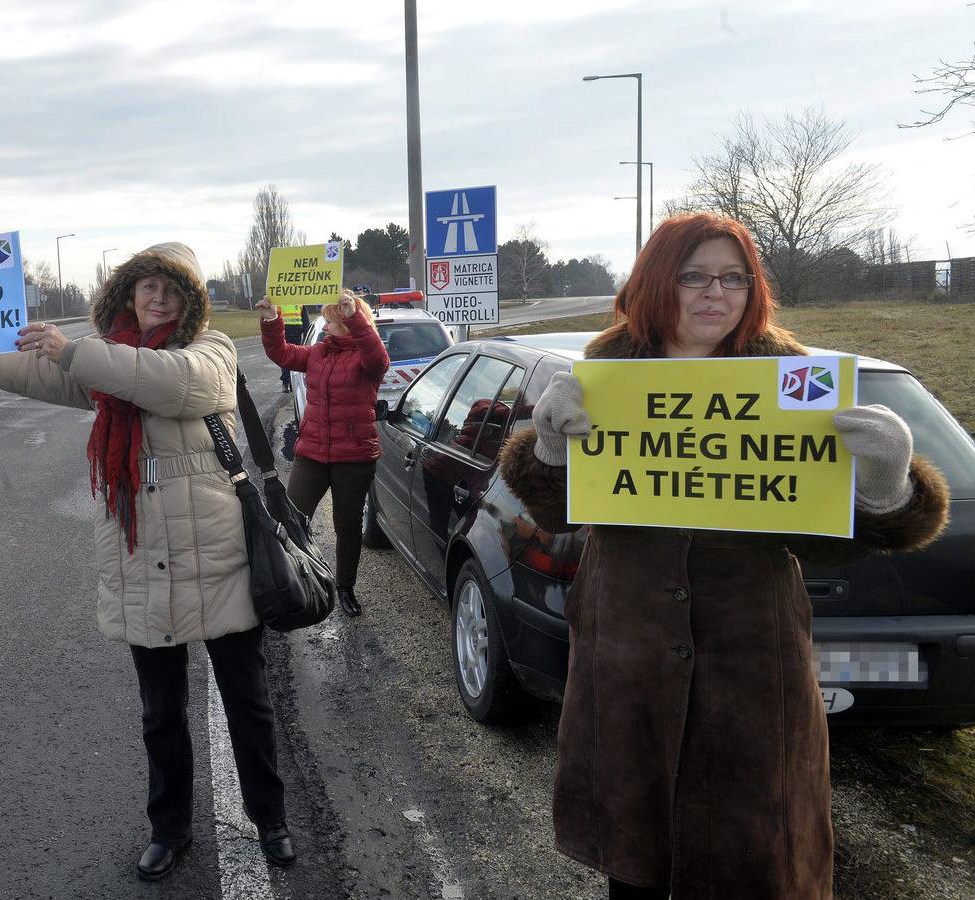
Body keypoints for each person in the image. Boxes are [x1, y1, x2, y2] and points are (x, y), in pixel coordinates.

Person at [497, 213, 951, 900]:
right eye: (694, 276)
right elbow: (561, 516)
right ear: (657, 282)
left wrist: (886, 487)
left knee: (748, 858)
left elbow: (833, 544)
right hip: (629, 656)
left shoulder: (791, 380)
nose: (716, 293)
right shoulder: (610, 373)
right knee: (636, 856)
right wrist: (550, 449)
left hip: (749, 666)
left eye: (734, 278)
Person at [0, 242, 295, 882]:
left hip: (220, 562)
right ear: (129, 294)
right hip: (143, 562)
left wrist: (73, 350)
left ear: (189, 301)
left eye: (170, 290)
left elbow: (171, 383)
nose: (156, 298)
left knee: (248, 702)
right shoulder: (103, 367)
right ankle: (170, 829)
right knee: (160, 712)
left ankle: (271, 821)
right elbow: (7, 368)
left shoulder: (209, 350)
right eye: (145, 287)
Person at [258, 290, 390, 617]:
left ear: (348, 324)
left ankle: (345, 587)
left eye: (332, 320)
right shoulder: (318, 354)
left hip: (353, 458)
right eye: (328, 320)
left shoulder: (366, 358)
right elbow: (282, 353)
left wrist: (356, 316)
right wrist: (272, 320)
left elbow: (379, 359)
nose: (327, 326)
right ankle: (291, 580)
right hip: (312, 455)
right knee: (289, 519)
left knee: (346, 526)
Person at [278, 307, 306, 391]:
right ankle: (290, 382)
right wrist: (306, 334)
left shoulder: (279, 300)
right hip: (294, 331)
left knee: (286, 356)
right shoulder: (298, 299)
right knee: (294, 357)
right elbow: (305, 320)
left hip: (286, 331)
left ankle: (287, 383)